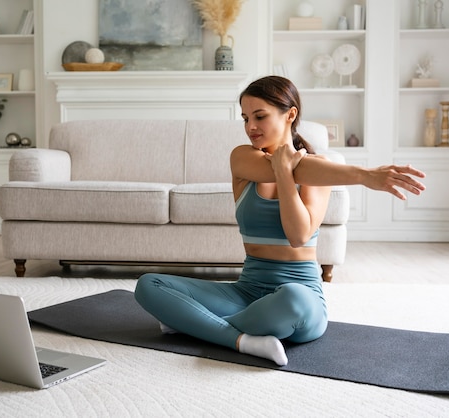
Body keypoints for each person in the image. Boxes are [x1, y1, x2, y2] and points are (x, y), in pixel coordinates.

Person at [134, 75, 426, 366]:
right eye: (245, 118)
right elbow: (279, 169)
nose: (250, 127)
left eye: (260, 116)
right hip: (246, 292)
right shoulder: (242, 159)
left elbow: (298, 235)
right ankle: (242, 340)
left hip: (300, 296)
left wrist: (293, 173)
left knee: (293, 300)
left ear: (290, 114)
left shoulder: (320, 170)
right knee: (149, 285)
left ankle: (196, 323)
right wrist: (360, 175)